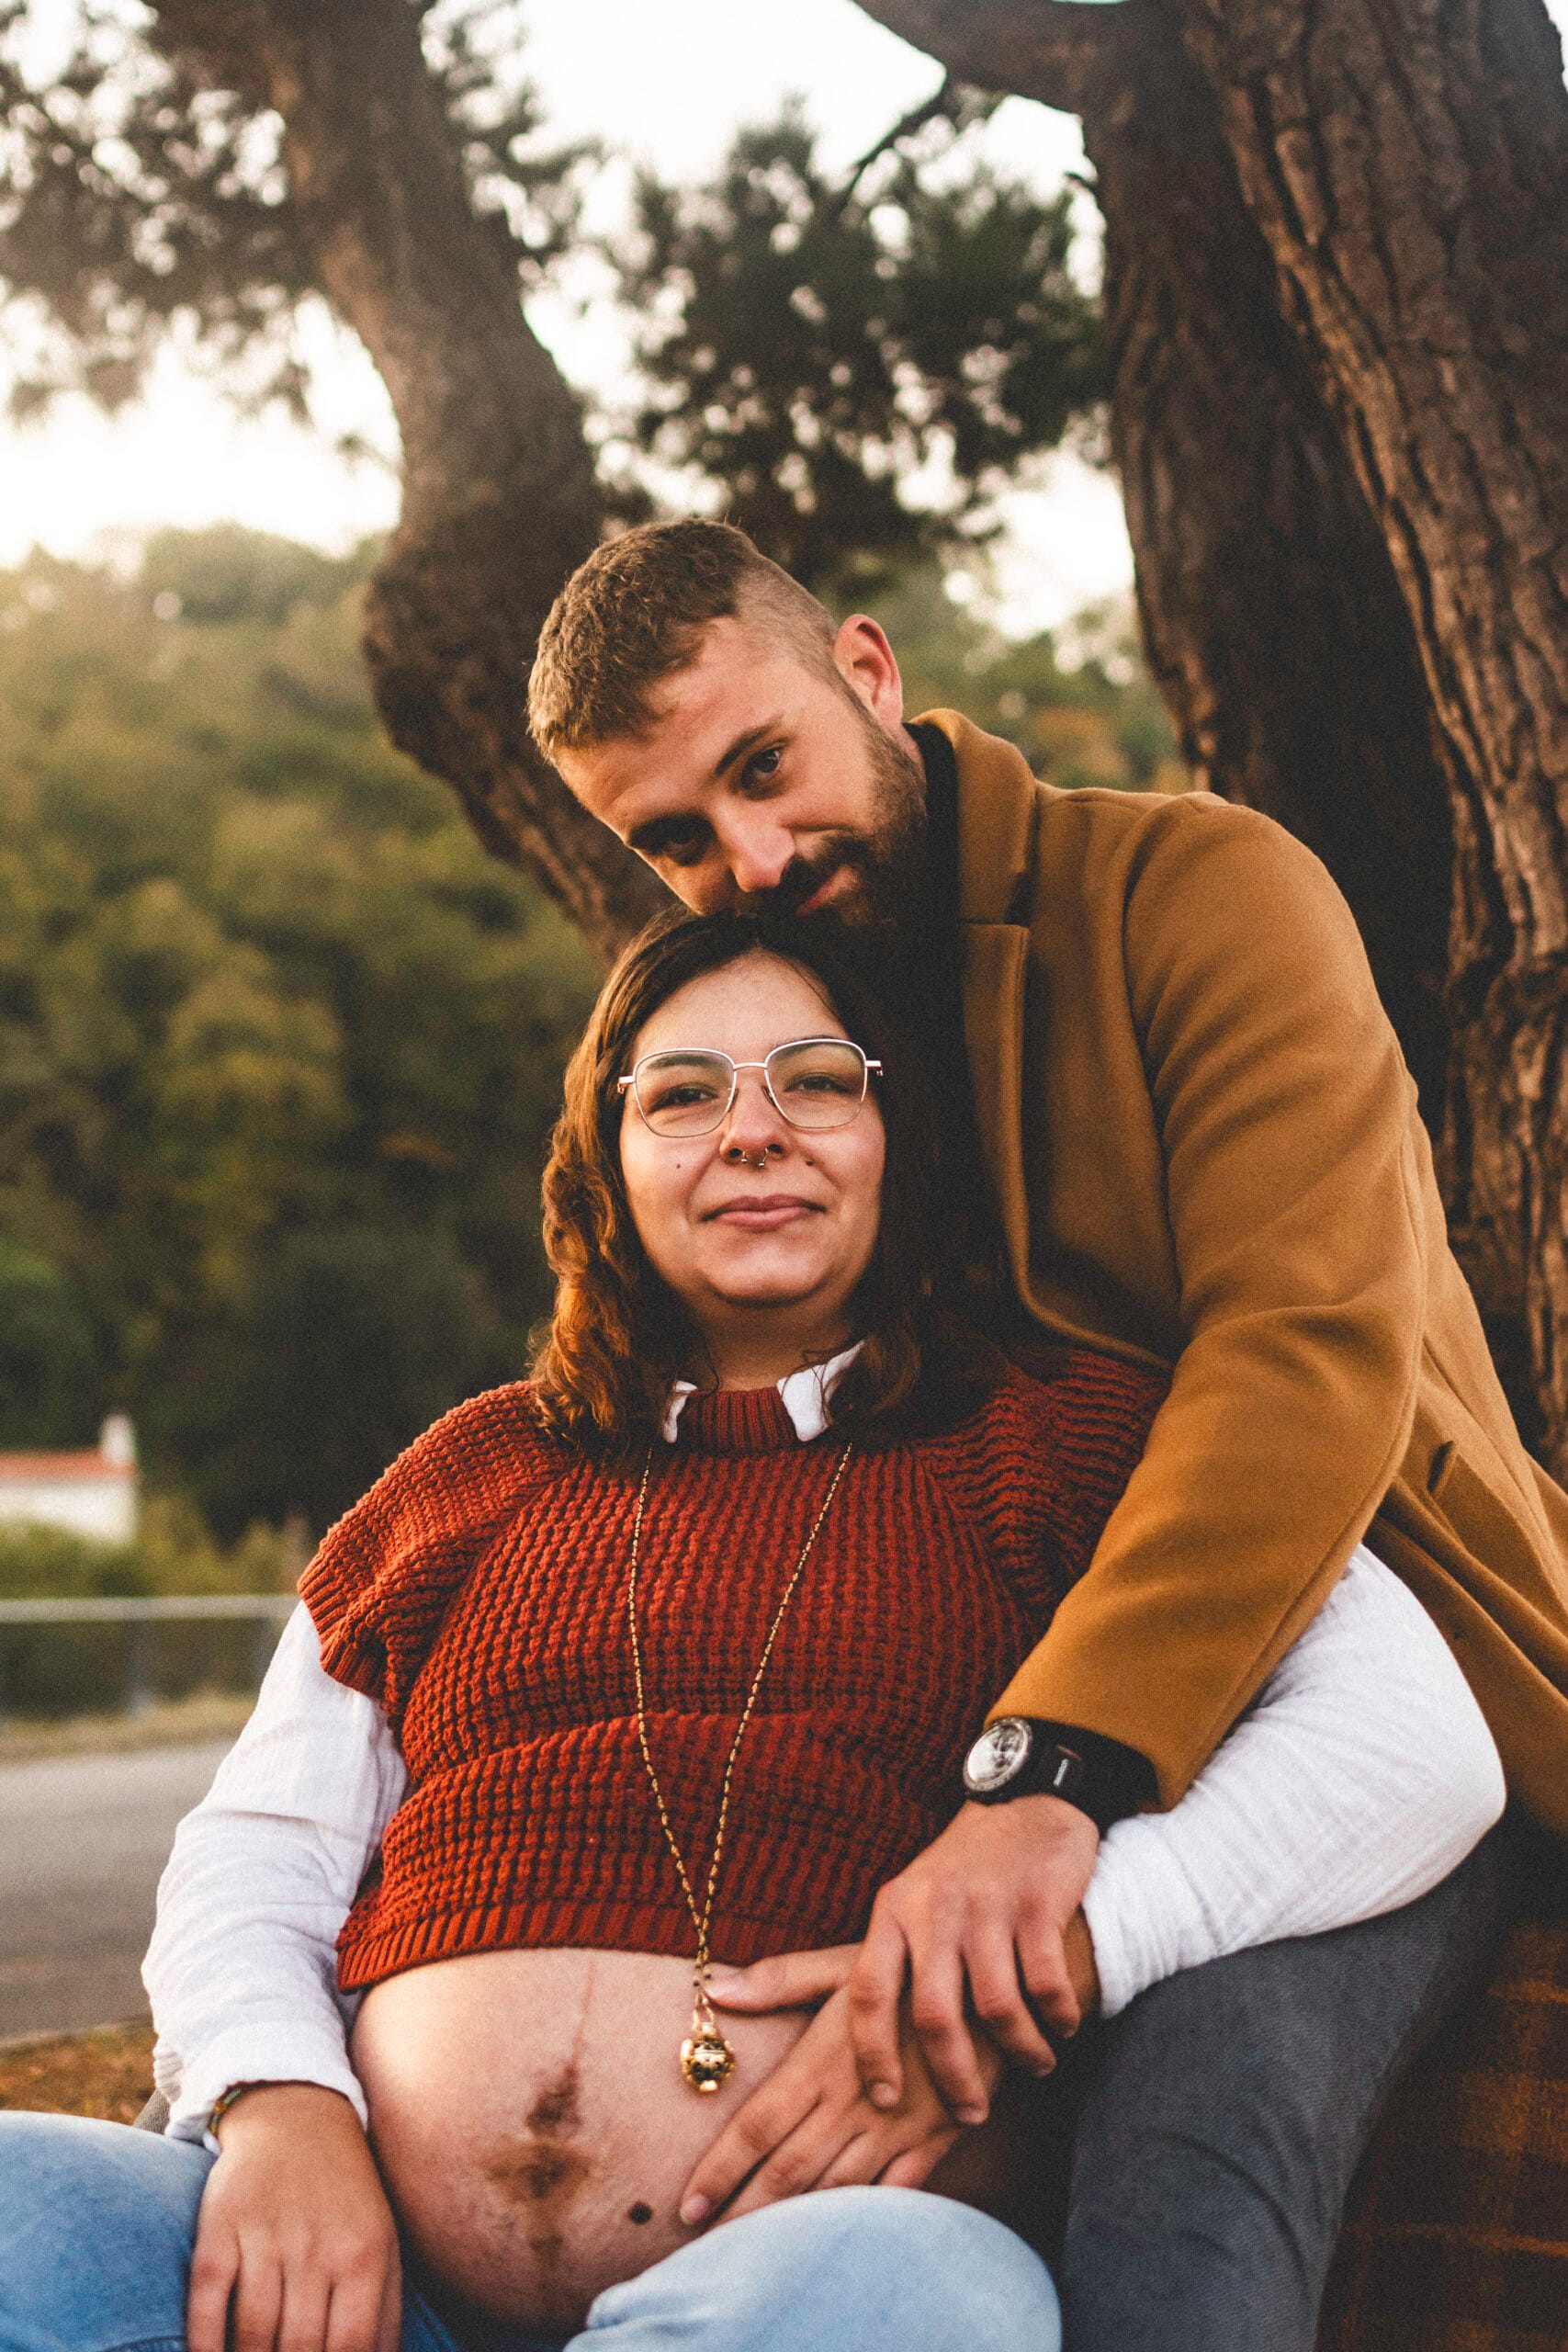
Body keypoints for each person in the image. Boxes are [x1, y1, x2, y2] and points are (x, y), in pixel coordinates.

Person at [0, 912, 1505, 2352]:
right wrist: (281, 2112)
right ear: (607, 1162)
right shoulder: (471, 1468)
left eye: (817, 1081)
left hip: (812, 2285)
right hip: (369, 2283)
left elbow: (1419, 1742)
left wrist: (1070, 1939)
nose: (753, 1129)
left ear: (899, 1145)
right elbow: (258, 1850)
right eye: (683, 1096)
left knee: (936, 2305)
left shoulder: (1068, 1443)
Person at [526, 519, 1568, 2348]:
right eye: (672, 839)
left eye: (760, 768)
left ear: (866, 670)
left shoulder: (1202, 887)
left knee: (1198, 2088)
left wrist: (1044, 1783)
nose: (747, 860)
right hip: (998, 1674)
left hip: (1370, 1661)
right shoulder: (795, 1033)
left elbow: (1302, 1347)